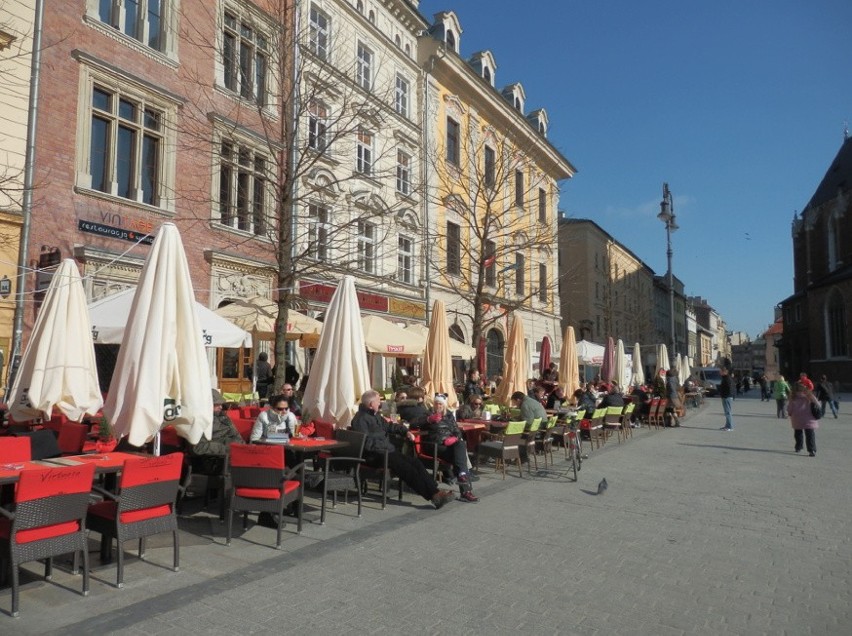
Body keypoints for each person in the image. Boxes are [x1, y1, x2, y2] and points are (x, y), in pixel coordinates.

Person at [350, 390, 454, 509]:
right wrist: (384, 446)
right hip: (374, 455)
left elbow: (389, 426)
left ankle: (436, 491)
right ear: (370, 404)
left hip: (387, 451)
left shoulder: (375, 415)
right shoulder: (360, 419)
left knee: (415, 462)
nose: (380, 404)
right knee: (406, 468)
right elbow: (366, 443)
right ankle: (433, 495)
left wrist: (405, 431)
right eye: (378, 401)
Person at [417, 395, 478, 502]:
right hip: (434, 446)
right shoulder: (428, 413)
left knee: (460, 447)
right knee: (460, 457)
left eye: (440, 404)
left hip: (449, 446)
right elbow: (415, 422)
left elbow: (457, 431)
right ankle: (465, 489)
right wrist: (429, 420)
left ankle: (463, 479)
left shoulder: (449, 415)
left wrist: (455, 437)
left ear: (444, 405)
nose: (438, 406)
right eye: (436, 403)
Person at [189, 389, 245, 475]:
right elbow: (198, 448)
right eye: (217, 404)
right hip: (213, 461)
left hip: (232, 455)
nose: (221, 407)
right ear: (207, 405)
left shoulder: (223, 417)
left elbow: (238, 437)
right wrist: (226, 447)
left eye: (221, 404)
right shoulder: (196, 422)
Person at [787, 381, 819, 457]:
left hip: (797, 418)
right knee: (810, 434)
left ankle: (798, 447)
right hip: (809, 418)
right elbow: (818, 404)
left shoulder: (793, 397)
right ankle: (812, 450)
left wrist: (789, 413)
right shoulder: (809, 396)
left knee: (798, 433)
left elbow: (790, 408)